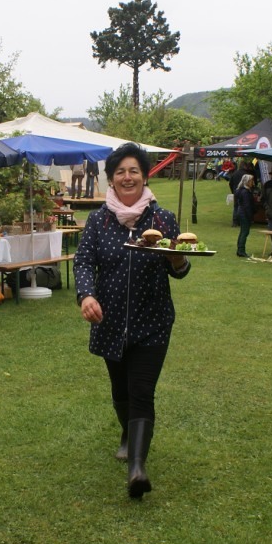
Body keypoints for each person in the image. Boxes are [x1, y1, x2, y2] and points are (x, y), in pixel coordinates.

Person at [73, 143, 191, 499]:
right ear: (111, 179)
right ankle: (127, 433)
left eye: (134, 171)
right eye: (120, 171)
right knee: (120, 390)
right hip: (109, 320)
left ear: (144, 176)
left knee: (142, 391)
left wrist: (176, 260)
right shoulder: (98, 220)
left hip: (152, 320)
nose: (128, 177)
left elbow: (180, 269)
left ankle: (137, 468)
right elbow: (83, 261)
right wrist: (86, 295)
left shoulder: (162, 219)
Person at [233, 174, 256, 258]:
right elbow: (247, 205)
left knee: (242, 231)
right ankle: (241, 250)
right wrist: (250, 217)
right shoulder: (245, 192)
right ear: (247, 182)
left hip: (240, 212)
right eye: (251, 181)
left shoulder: (240, 190)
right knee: (245, 232)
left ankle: (240, 250)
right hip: (244, 213)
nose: (252, 182)